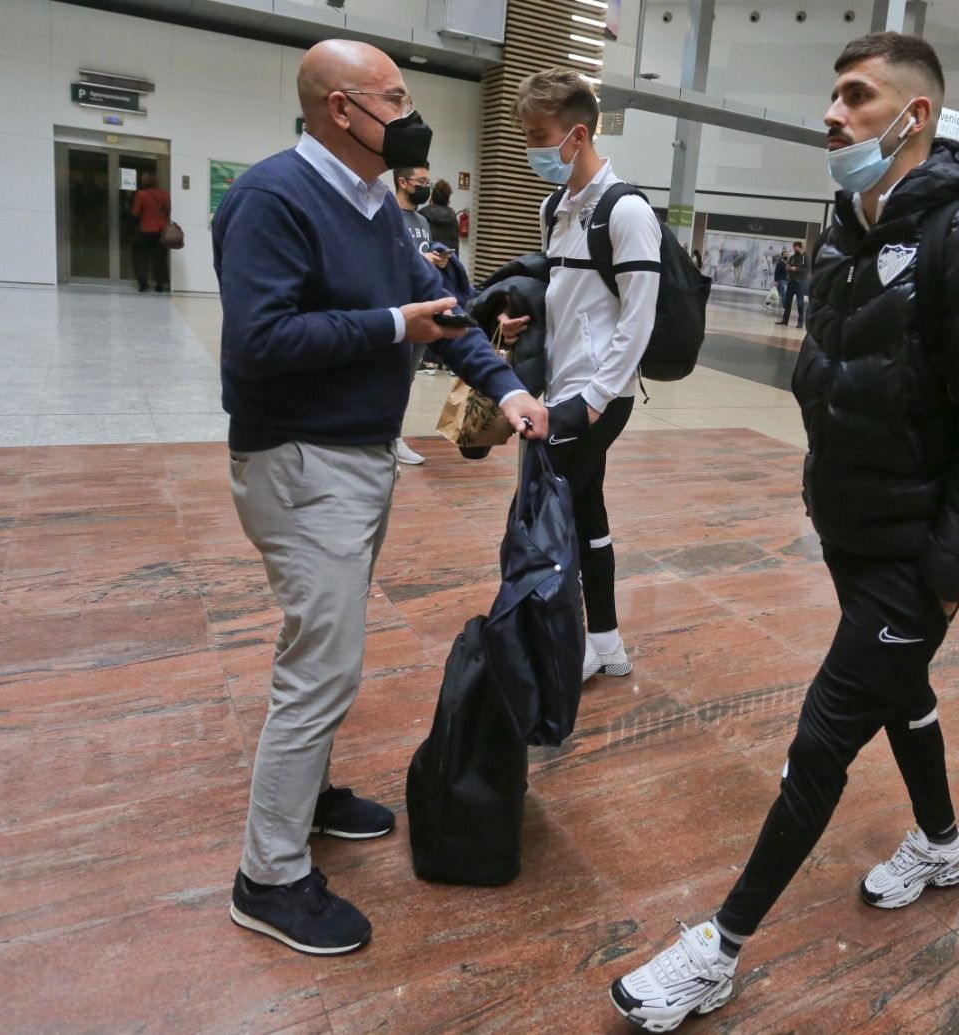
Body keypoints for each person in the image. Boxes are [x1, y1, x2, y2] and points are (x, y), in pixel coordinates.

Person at [609, 32, 959, 1030]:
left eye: (855, 96)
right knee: (902, 692)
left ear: (913, 115)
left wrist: (947, 578)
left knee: (822, 739)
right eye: (834, 97)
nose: (833, 116)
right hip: (851, 527)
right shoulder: (849, 227)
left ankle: (719, 948)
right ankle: (941, 843)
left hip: (914, 555)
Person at [213, 39, 547, 957]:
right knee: (323, 666)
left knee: (321, 641)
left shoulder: (377, 206)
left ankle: (309, 797)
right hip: (299, 459)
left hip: (355, 458)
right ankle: (268, 876)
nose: (410, 114)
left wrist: (507, 386)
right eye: (394, 98)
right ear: (340, 110)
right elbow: (260, 342)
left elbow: (441, 312)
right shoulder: (273, 197)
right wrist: (392, 325)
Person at [497, 67, 660, 684]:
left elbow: (637, 320)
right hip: (562, 389)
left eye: (539, 136)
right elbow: (564, 295)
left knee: (538, 515)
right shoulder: (556, 206)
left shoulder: (627, 211)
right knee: (585, 513)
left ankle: (557, 643)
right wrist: (517, 321)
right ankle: (606, 642)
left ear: (579, 134)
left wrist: (591, 402)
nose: (531, 149)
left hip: (597, 395)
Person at [390, 164, 438, 466]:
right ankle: (382, 438)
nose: (426, 187)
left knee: (407, 378)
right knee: (389, 377)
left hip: (422, 308)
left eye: (428, 181)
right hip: (397, 309)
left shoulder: (423, 220)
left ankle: (395, 437)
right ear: (403, 182)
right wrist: (421, 258)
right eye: (421, 181)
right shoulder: (388, 215)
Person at [130, 170, 171, 293]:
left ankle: (143, 283)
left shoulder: (140, 194)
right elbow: (168, 210)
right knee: (160, 257)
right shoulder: (164, 194)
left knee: (142, 257)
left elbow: (135, 213)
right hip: (161, 231)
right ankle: (159, 284)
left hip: (145, 230)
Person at [419, 177, 460, 254]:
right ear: (448, 201)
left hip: (428, 261)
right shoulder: (453, 219)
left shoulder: (421, 216)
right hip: (449, 260)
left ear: (432, 198)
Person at [777, 240, 809, 327]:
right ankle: (785, 320)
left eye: (796, 248)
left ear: (800, 247)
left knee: (800, 303)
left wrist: (796, 269)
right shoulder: (792, 257)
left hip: (800, 283)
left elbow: (807, 270)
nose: (794, 249)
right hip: (791, 282)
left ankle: (800, 322)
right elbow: (788, 267)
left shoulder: (806, 257)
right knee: (787, 302)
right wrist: (788, 268)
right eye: (794, 248)